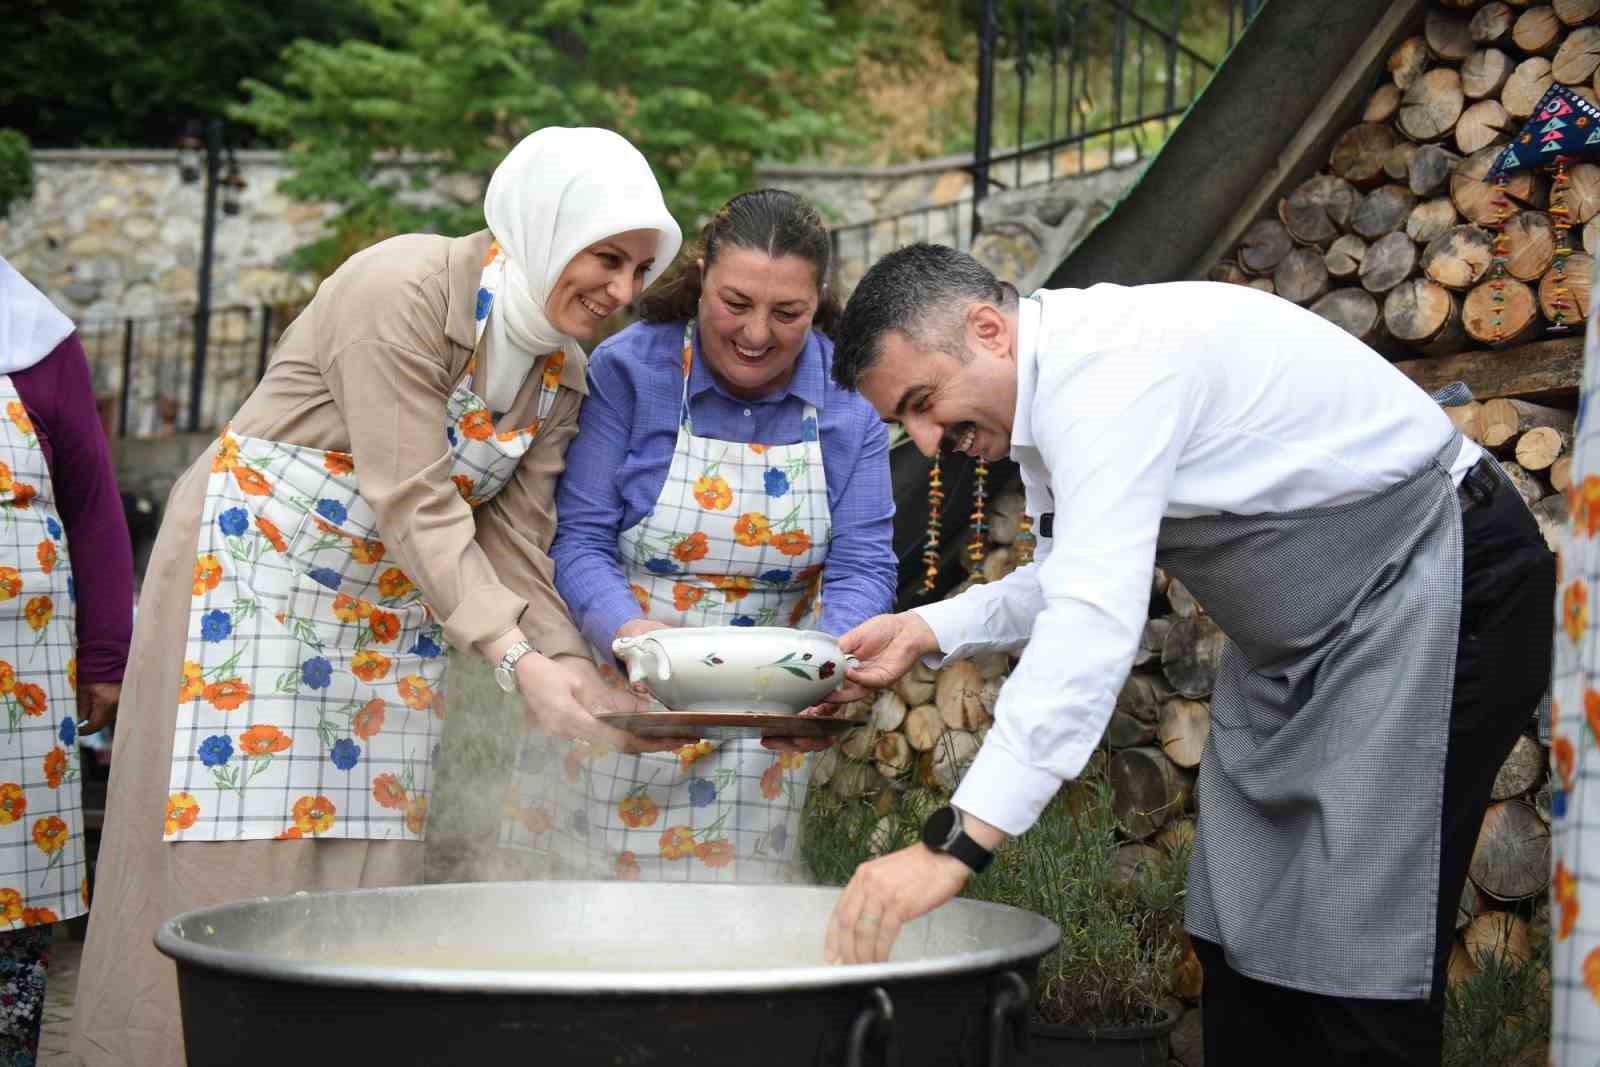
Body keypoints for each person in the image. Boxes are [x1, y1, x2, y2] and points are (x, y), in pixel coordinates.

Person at [818, 243, 1554, 1066]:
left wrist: (954, 843)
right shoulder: (1056, 384)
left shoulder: (1107, 374)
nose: (925, 439)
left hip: (1435, 586)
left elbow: (1093, 619)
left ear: (987, 329)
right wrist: (929, 628)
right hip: (1300, 651)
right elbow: (1071, 572)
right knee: (1240, 939)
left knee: (1356, 959)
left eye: (924, 402)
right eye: (904, 421)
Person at [71, 127, 683, 1067]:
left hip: (385, 613)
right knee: (242, 853)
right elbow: (415, 494)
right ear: (539, 226)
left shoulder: (563, 370)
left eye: (641, 267)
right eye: (608, 256)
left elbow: (518, 539)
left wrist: (572, 665)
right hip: (255, 585)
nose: (624, 290)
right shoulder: (400, 289)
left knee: (364, 863)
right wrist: (516, 660)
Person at [504, 189, 897, 883]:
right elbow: (580, 540)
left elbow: (864, 563)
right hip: (619, 705)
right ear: (699, 280)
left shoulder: (849, 403)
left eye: (788, 313)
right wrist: (638, 639)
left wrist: (825, 662)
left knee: (730, 937)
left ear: (820, 302)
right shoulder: (631, 371)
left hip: (762, 732)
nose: (756, 334)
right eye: (735, 303)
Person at [0, 258, 133, 1065]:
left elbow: (91, 503)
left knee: (9, 883)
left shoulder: (41, 344)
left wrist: (107, 652)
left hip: (25, 664)